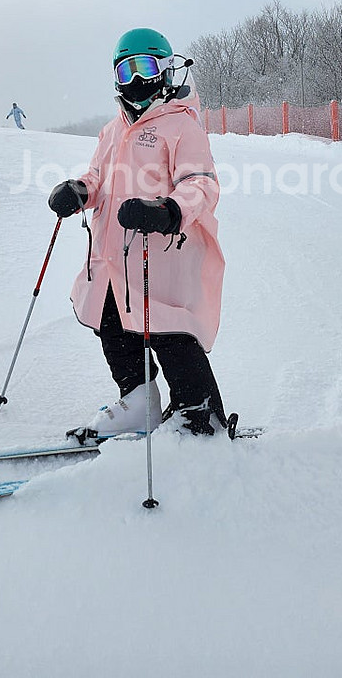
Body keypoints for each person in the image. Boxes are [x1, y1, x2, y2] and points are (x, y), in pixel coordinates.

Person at [48, 27, 228, 437]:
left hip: (163, 254)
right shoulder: (112, 130)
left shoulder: (181, 126)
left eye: (144, 67)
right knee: (112, 324)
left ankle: (198, 414)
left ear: (165, 69)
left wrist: (169, 209)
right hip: (113, 254)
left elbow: (201, 183)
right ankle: (137, 400)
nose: (136, 79)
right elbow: (98, 176)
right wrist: (80, 191)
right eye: (125, 70)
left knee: (169, 331)